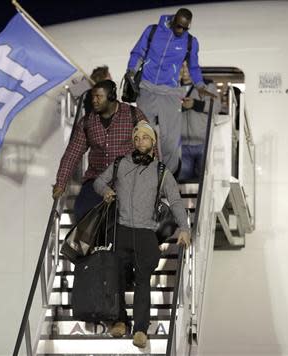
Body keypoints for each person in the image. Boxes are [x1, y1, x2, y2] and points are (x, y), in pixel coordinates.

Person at [93, 120, 190, 349]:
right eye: (136, 138)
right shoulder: (120, 164)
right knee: (115, 276)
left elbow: (175, 200)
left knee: (142, 280)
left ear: (152, 142)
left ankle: (140, 329)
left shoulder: (161, 171)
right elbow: (98, 181)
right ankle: (119, 321)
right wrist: (106, 190)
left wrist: (184, 228)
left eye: (144, 138)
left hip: (147, 233)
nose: (139, 142)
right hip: (121, 229)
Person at [126, 8, 215, 175]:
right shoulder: (152, 31)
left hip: (170, 91)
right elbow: (138, 52)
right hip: (147, 87)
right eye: (179, 26)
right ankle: (142, 172)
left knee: (170, 139)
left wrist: (200, 85)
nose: (181, 30)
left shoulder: (190, 42)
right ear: (173, 21)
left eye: (185, 28)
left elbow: (194, 66)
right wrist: (131, 70)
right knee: (143, 133)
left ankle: (168, 175)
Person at [52, 79, 149, 222]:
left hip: (127, 180)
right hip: (96, 180)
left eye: (99, 97)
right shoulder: (87, 122)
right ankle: (90, 244)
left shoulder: (134, 116)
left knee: (121, 219)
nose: (94, 101)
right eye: (93, 97)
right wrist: (61, 183)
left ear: (111, 97)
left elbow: (149, 148)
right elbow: (72, 154)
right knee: (82, 212)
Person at [179, 62, 220, 181]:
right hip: (182, 145)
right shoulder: (173, 87)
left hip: (204, 144)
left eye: (188, 66)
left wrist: (195, 104)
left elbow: (216, 107)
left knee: (204, 182)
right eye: (182, 66)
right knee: (182, 182)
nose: (185, 70)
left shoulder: (207, 85)